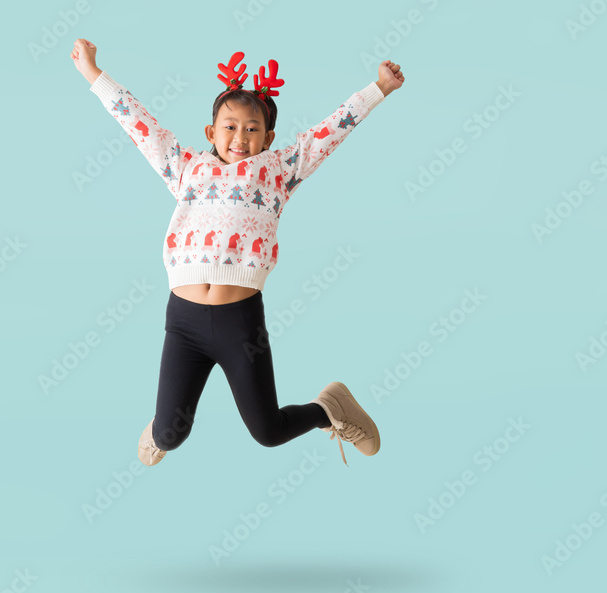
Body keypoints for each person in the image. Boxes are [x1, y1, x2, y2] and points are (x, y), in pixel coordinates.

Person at [71, 39, 405, 467]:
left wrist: (378, 88)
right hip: (184, 322)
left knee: (268, 432)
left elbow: (330, 130)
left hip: (240, 324)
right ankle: (159, 430)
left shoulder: (278, 171)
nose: (241, 137)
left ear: (268, 137)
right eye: (230, 126)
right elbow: (141, 126)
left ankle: (331, 408)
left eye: (252, 129)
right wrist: (94, 74)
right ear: (211, 133)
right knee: (169, 435)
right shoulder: (187, 167)